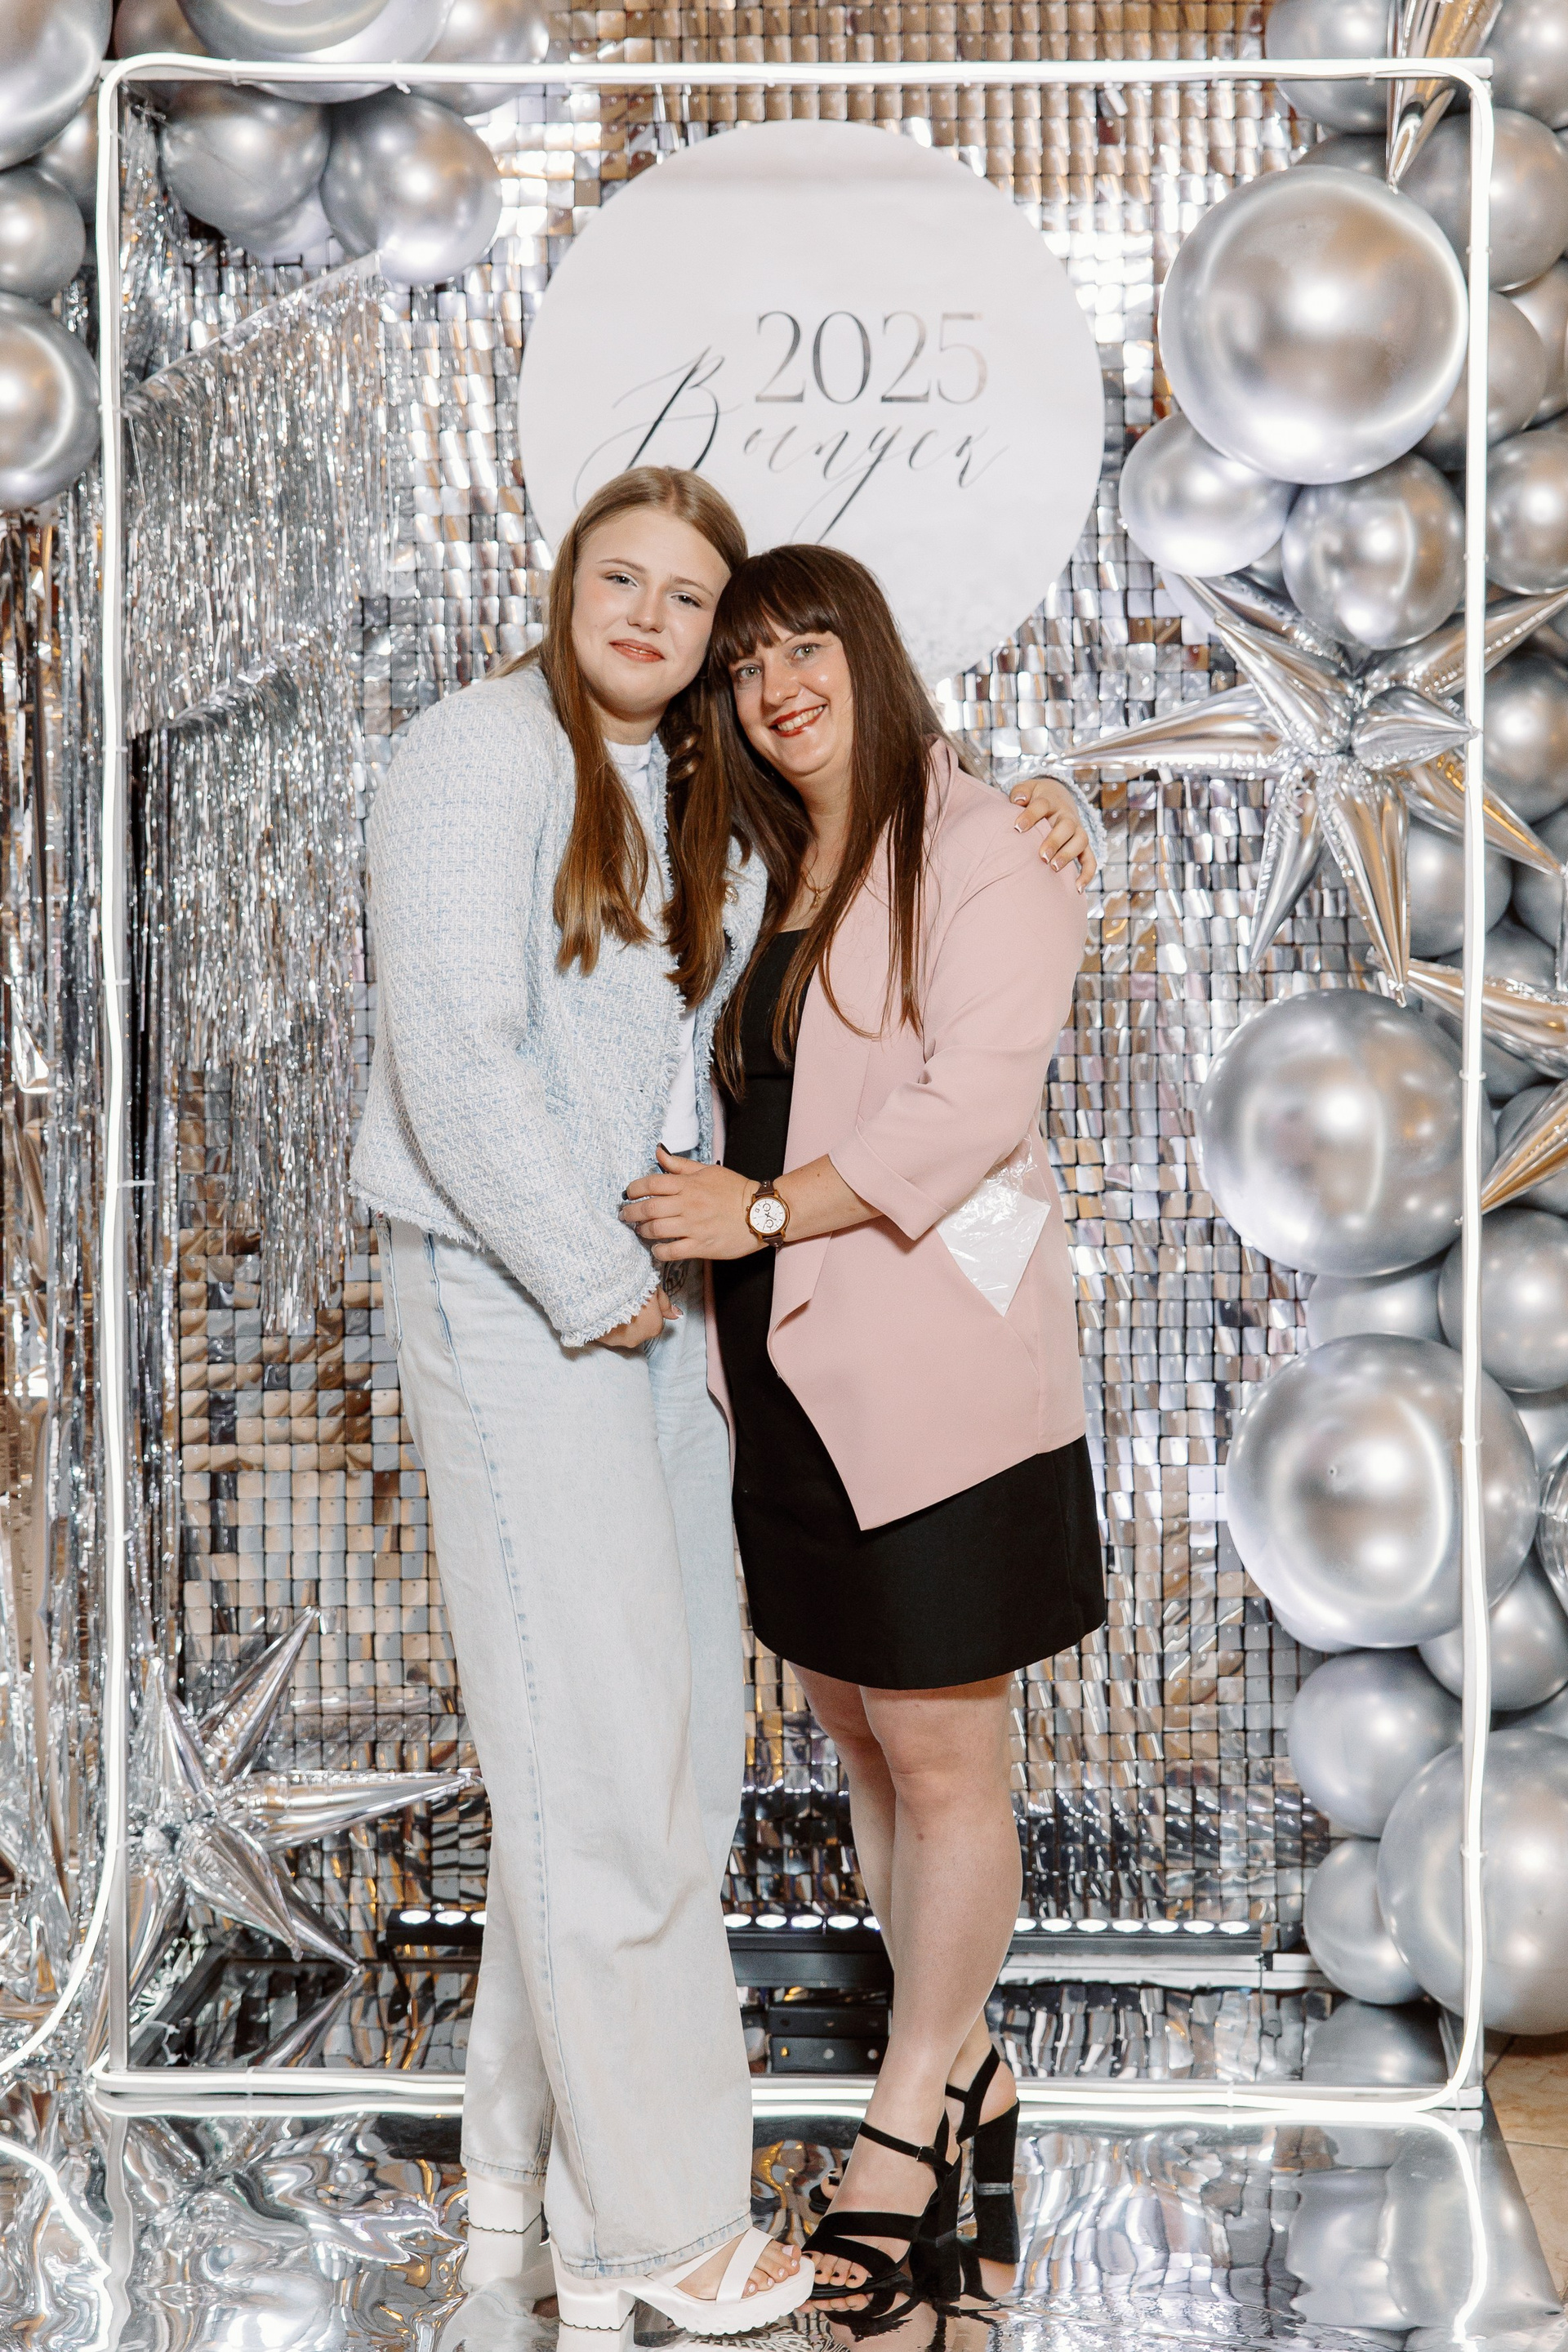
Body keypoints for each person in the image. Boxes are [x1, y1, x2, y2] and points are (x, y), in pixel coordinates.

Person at [354, 461, 1094, 2323]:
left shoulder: (823, 818)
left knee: (725, 1767)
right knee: (666, 1766)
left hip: (827, 1355)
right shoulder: (544, 771)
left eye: (712, 609)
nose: (695, 643)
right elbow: (462, 1054)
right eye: (645, 590)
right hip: (657, 1331)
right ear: (567, 585)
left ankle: (800, 2134)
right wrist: (616, 1278)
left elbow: (962, 1074)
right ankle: (677, 2204)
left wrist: (1051, 810)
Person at [622, 545, 1104, 2312]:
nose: (778, 688)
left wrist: (753, 1215)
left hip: (936, 1382)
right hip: (784, 1378)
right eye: (746, 666)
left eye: (807, 647)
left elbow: (973, 1107)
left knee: (948, 1758)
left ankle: (906, 2123)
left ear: (872, 655)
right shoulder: (769, 866)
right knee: (867, 1744)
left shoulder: (986, 846)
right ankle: (967, 2065)